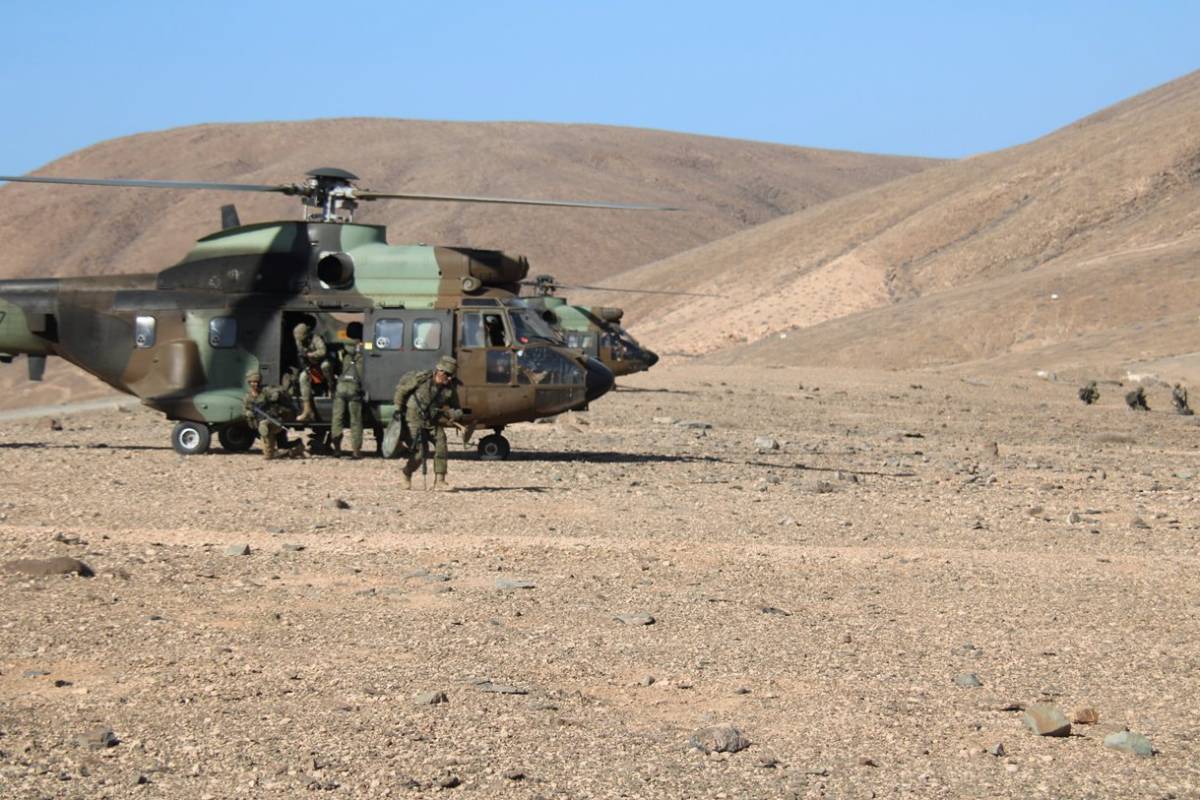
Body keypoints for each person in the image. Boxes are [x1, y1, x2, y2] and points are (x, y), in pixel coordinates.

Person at [394, 356, 464, 490]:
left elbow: (457, 408)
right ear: (440, 371)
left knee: (441, 442)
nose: (449, 378)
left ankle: (440, 481)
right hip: (413, 418)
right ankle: (406, 474)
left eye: (452, 376)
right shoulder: (421, 379)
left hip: (431, 420)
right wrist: (397, 409)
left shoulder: (449, 389)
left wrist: (454, 414)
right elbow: (401, 391)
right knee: (420, 452)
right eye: (447, 375)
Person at [243, 370, 304, 459]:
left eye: (256, 382)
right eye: (252, 382)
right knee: (271, 453)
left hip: (274, 420)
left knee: (263, 426)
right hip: (259, 423)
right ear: (249, 383)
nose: (255, 384)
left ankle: (272, 451)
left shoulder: (265, 391)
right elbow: (245, 409)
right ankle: (295, 448)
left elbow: (277, 392)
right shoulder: (247, 397)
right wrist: (247, 413)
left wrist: (275, 395)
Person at [330, 336, 366, 457]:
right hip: (354, 388)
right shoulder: (362, 354)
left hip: (341, 387)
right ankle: (356, 450)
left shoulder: (342, 353)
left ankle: (337, 449)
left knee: (337, 419)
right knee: (355, 421)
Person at [293, 322, 332, 422]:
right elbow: (300, 355)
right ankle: (307, 409)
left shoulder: (316, 339)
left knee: (326, 366)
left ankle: (331, 387)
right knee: (302, 377)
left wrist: (311, 355)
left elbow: (323, 351)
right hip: (310, 365)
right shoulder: (299, 341)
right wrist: (305, 365)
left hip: (322, 362)